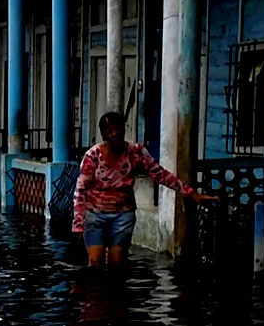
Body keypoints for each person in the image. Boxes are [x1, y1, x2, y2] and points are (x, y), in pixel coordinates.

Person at [71, 111, 212, 267]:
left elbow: (160, 174)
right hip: (96, 215)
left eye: (118, 129)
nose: (115, 134)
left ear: (124, 130)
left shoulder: (135, 152)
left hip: (122, 215)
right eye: (109, 131)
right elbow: (80, 190)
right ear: (103, 135)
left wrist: (190, 192)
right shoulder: (93, 156)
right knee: (96, 261)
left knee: (116, 262)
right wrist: (78, 223)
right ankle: (94, 291)